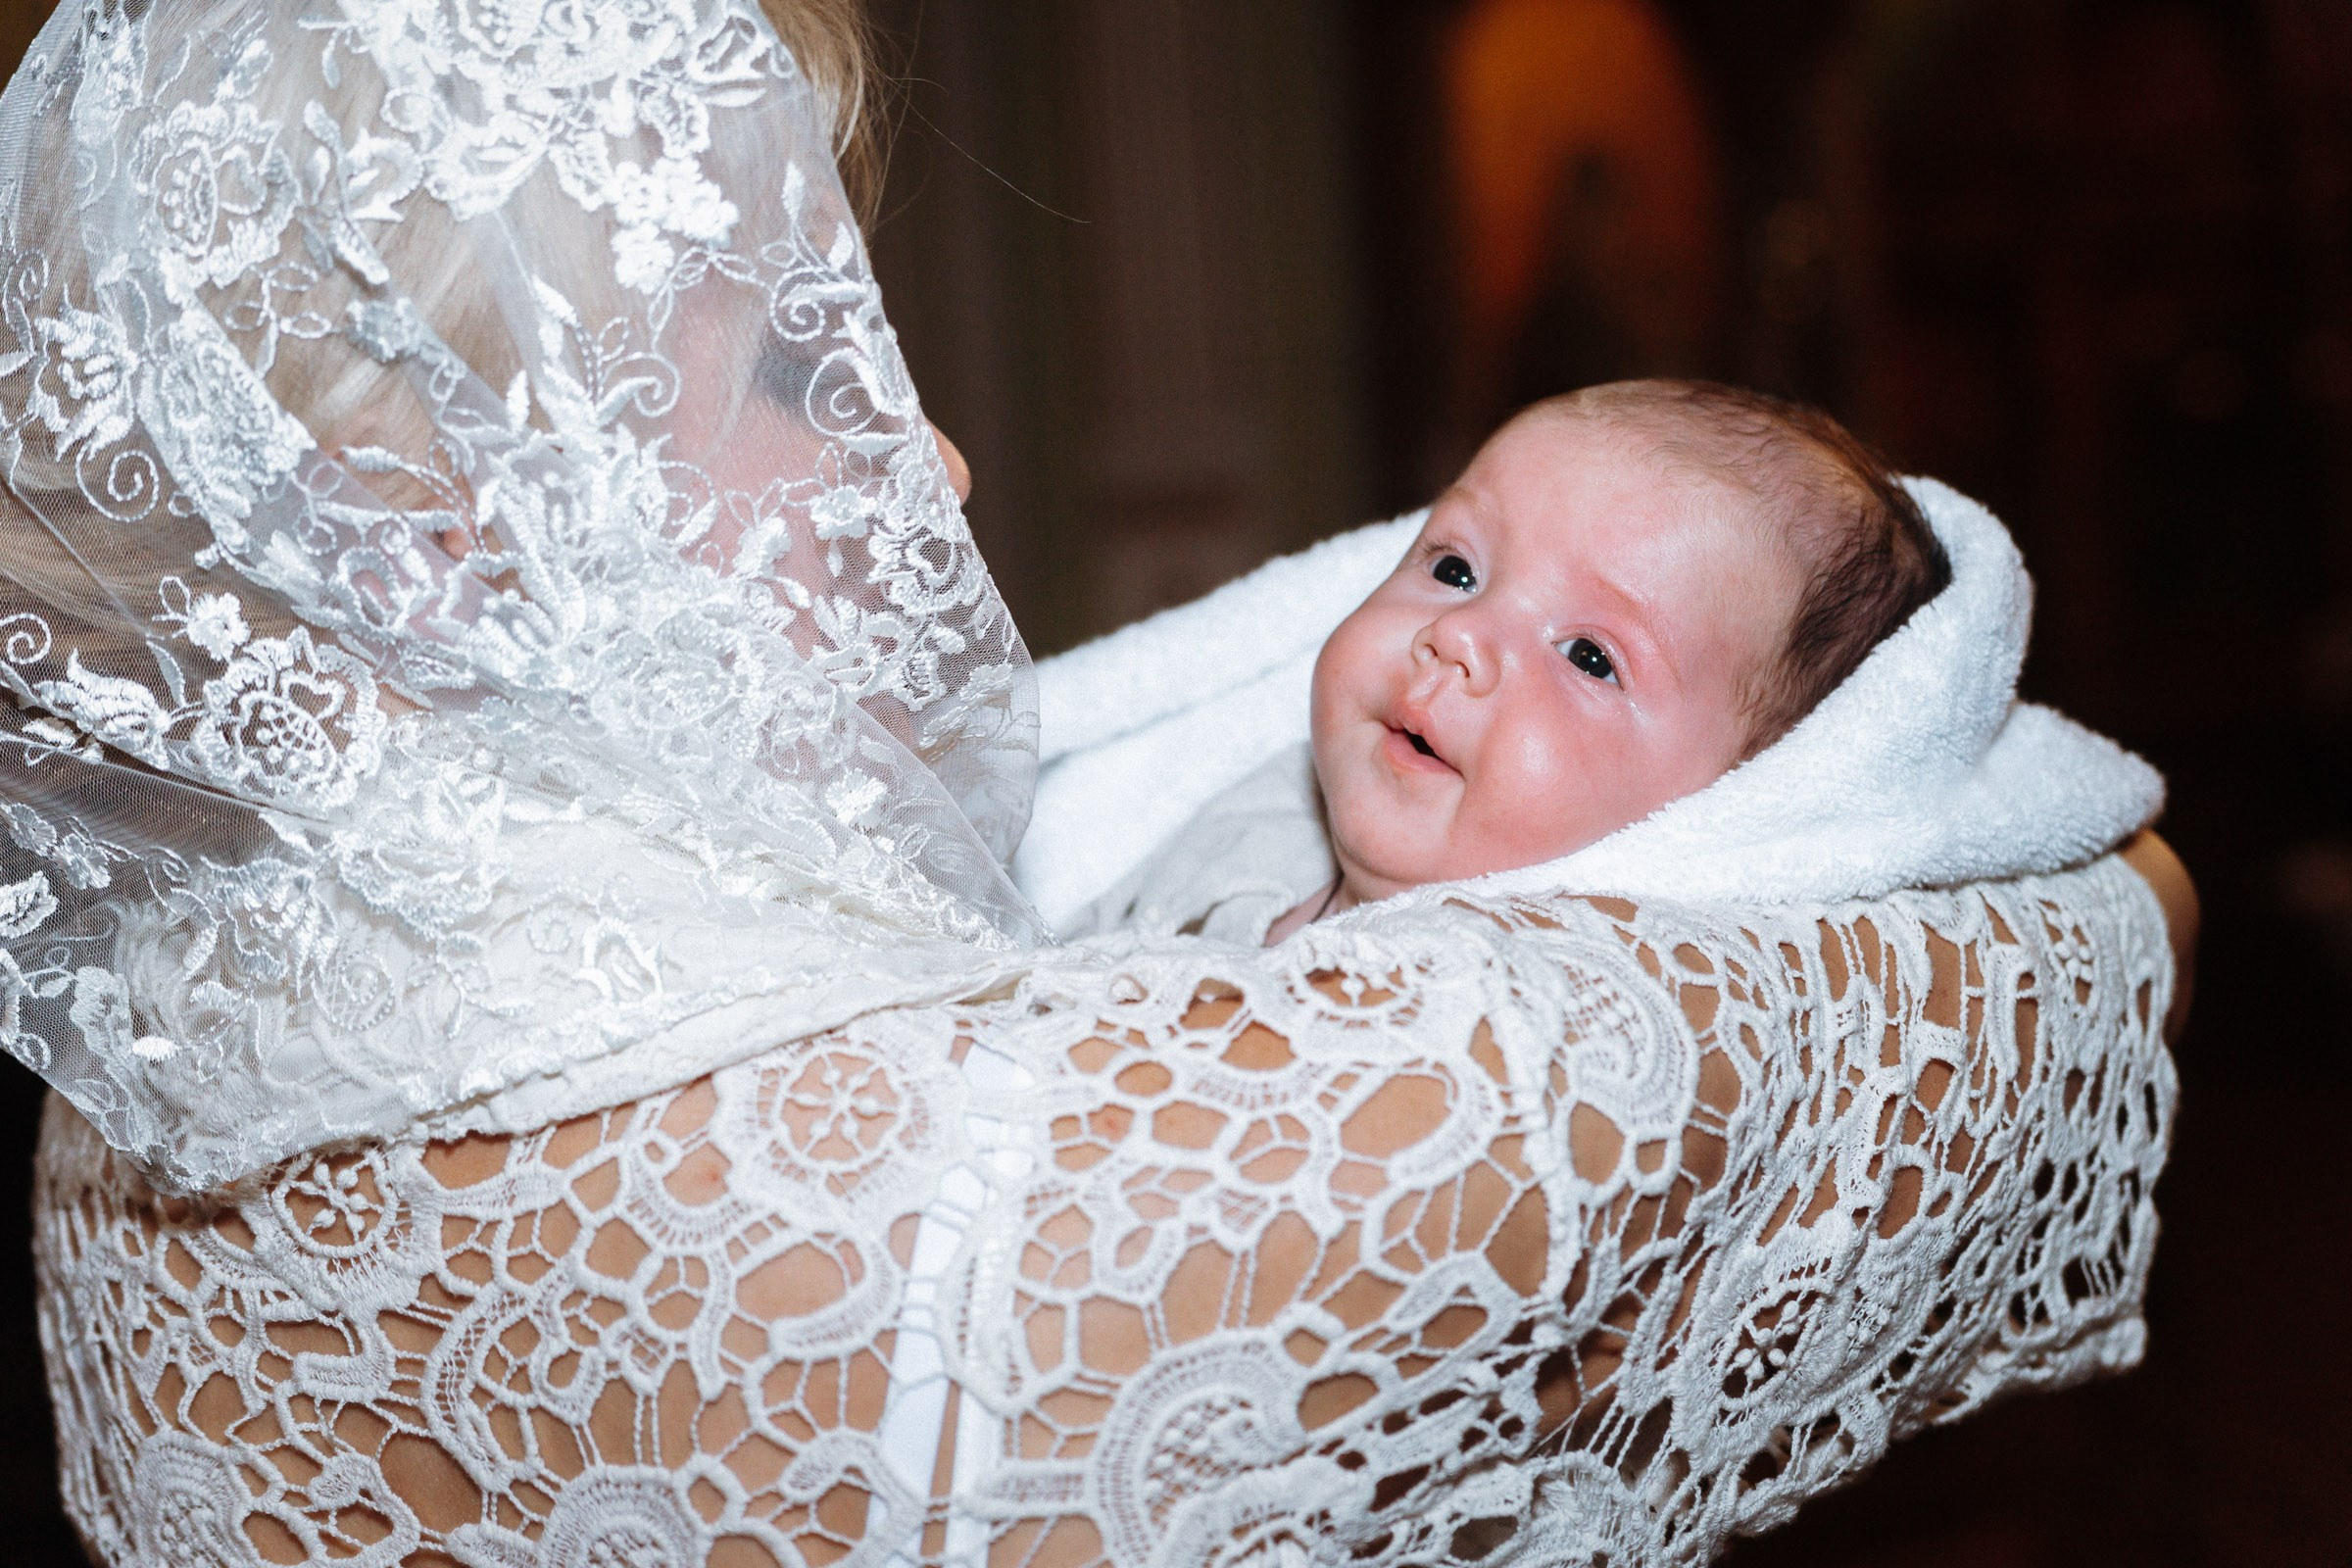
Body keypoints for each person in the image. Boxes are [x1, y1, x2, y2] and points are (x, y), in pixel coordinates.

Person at [2, 2, 2188, 1565]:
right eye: (797, 362)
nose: (936, 460)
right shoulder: (1070, 1171)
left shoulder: (150, 1064)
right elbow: (2138, 907)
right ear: (435, 506)